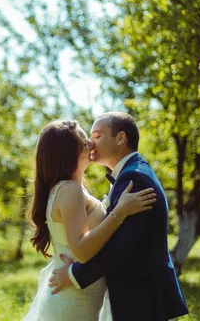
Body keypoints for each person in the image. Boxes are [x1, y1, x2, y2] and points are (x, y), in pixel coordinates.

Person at [48, 112, 189, 321]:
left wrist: (74, 275)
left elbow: (122, 245)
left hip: (141, 296)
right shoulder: (130, 173)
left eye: (97, 135)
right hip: (137, 295)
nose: (90, 143)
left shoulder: (135, 178)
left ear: (120, 138)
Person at [22, 119, 157, 321]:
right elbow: (82, 251)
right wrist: (119, 212)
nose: (92, 145)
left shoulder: (71, 188)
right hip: (72, 300)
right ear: (70, 152)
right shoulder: (69, 189)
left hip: (80, 294)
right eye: (86, 142)